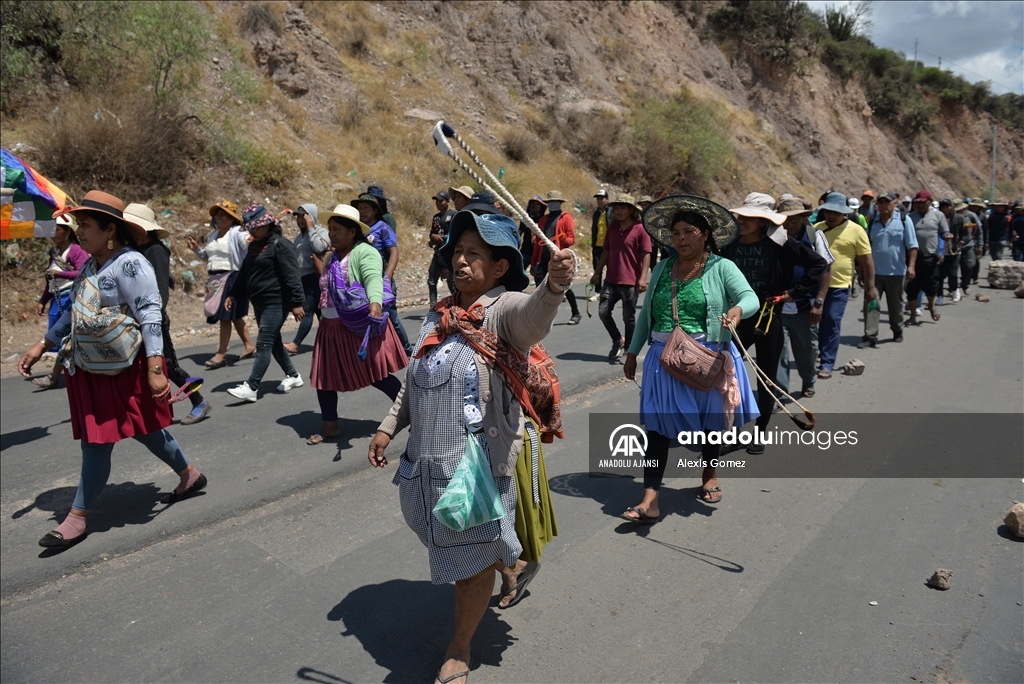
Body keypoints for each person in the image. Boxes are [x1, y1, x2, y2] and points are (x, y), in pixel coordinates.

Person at [367, 211, 574, 684]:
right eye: (457, 251)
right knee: (443, 535)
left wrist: (554, 286)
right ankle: (513, 561)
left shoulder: (502, 312)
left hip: (475, 468)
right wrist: (388, 426)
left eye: (474, 254)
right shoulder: (439, 315)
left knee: (468, 562)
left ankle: (459, 649)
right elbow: (414, 382)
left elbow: (533, 315)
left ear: (500, 268)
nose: (460, 260)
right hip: (424, 465)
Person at [17, 191, 207, 549]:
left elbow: (151, 314)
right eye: (78, 225)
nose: (79, 232)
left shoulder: (130, 264)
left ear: (109, 230)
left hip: (125, 367)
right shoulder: (90, 267)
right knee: (145, 428)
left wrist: (155, 367)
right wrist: (42, 344)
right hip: (92, 368)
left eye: (86, 226)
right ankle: (190, 475)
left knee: (97, 442)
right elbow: (74, 318)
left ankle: (76, 518)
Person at [622, 194, 759, 514]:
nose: (681, 238)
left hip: (708, 358)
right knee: (656, 429)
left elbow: (748, 296)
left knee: (711, 424)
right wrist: (632, 352)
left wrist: (737, 311)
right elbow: (646, 316)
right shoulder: (662, 268)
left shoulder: (722, 267)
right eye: (676, 233)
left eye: (688, 231)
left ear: (705, 234)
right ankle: (650, 499)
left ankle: (709, 474)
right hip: (662, 359)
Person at [720, 193, 826, 449]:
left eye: (749, 218)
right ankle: (730, 430)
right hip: (735, 319)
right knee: (726, 376)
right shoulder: (728, 245)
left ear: (762, 221)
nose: (742, 221)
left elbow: (818, 264)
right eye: (740, 216)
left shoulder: (782, 244)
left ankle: (759, 433)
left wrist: (793, 293)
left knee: (766, 379)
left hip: (768, 320)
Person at [306, 205, 408, 445]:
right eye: (330, 229)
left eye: (337, 230)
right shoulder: (333, 257)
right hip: (329, 328)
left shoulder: (365, 252)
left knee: (377, 375)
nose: (331, 234)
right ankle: (330, 424)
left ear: (353, 232)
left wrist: (375, 302)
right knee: (325, 377)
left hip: (356, 326)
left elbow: (374, 278)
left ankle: (411, 411)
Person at [128, 203, 211, 424]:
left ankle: (199, 400)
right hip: (133, 318)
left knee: (169, 367)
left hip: (152, 319)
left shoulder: (156, 250)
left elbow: (161, 290)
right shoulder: (132, 249)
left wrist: (152, 316)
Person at [225, 205, 305, 403]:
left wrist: (297, 302)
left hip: (276, 302)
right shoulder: (254, 246)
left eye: (255, 227)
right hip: (259, 302)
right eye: (250, 228)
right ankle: (294, 376)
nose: (252, 231)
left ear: (267, 225)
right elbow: (245, 273)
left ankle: (252, 387)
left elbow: (292, 275)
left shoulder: (280, 245)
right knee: (274, 341)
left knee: (263, 343)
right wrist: (233, 294)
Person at [773, 195, 833, 398]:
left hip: (806, 305)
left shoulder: (814, 235)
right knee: (778, 350)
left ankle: (809, 381)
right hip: (778, 305)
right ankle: (781, 390)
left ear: (803, 217)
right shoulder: (773, 237)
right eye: (786, 219)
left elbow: (825, 270)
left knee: (807, 349)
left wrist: (819, 302)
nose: (791, 223)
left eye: (796, 218)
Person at [814, 192, 876, 379]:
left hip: (840, 285)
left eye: (836, 212)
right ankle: (819, 353)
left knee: (832, 320)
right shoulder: (815, 229)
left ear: (844, 213)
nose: (831, 216)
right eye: (828, 212)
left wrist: (870, 286)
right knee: (818, 322)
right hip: (816, 286)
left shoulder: (856, 230)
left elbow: (866, 259)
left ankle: (827, 363)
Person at [187, 200, 256, 369]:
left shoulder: (237, 232)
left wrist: (250, 239)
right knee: (234, 316)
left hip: (232, 277)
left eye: (223, 215)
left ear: (232, 218)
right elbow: (207, 257)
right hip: (215, 279)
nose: (219, 218)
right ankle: (249, 346)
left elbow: (246, 241)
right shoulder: (213, 235)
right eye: (217, 215)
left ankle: (221, 354)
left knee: (225, 317)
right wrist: (196, 249)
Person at [590, 194, 651, 361]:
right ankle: (617, 340)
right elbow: (606, 251)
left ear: (631, 210)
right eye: (616, 207)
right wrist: (597, 272)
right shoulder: (612, 228)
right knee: (603, 312)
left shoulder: (640, 229)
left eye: (623, 207)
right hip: (611, 279)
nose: (618, 211)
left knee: (628, 317)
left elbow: (646, 253)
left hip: (630, 281)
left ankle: (629, 348)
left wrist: (643, 277)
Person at [353, 192, 413, 356]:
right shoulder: (356, 230)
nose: (363, 211)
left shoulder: (383, 228)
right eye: (360, 208)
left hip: (380, 279)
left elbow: (394, 253)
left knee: (391, 316)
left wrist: (388, 276)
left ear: (375, 210)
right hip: (362, 281)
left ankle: (408, 349)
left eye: (366, 208)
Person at [33, 213, 88, 389]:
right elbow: (50, 280)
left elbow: (81, 272)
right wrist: (43, 300)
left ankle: (54, 376)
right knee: (59, 338)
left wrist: (60, 273)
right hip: (56, 299)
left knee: (67, 338)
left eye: (57, 229)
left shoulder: (75, 250)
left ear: (67, 231)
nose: (54, 233)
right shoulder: (55, 253)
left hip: (70, 298)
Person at [863, 192, 917, 346]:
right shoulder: (873, 223)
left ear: (895, 202)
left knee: (896, 306)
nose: (883, 205)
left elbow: (912, 245)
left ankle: (897, 330)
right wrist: (862, 272)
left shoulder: (904, 220)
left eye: (887, 202)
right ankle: (870, 335)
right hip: (875, 274)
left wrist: (911, 266)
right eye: (880, 202)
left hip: (896, 272)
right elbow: (865, 249)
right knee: (871, 303)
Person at [284, 204, 330, 355]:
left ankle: (295, 344)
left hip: (314, 276)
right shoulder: (300, 236)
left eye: (304, 216)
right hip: (301, 278)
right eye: (298, 216)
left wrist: (311, 228)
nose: (300, 219)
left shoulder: (320, 231)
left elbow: (319, 247)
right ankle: (330, 341)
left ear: (311, 216)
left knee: (308, 310)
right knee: (320, 313)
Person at [532, 190, 582, 325]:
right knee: (540, 287)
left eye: (556, 202)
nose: (553, 204)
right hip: (544, 258)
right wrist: (533, 262)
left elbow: (571, 239)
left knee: (564, 286)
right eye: (551, 202)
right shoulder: (543, 220)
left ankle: (576, 312)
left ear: (560, 203)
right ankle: (541, 317)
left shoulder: (566, 217)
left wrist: (564, 239)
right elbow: (537, 243)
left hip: (558, 258)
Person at [906, 190, 947, 324]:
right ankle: (912, 315)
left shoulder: (938, 215)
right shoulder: (909, 217)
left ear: (929, 202)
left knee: (931, 285)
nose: (920, 205)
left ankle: (931, 306)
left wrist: (941, 252)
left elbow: (943, 233)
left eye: (923, 202)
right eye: (917, 203)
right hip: (913, 258)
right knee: (912, 287)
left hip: (931, 257)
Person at [427, 190, 457, 308]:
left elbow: (453, 235)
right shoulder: (436, 217)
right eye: (437, 201)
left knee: (452, 283)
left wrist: (443, 238)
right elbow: (432, 233)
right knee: (431, 280)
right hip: (437, 253)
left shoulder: (453, 215)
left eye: (441, 201)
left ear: (447, 201)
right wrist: (433, 237)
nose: (438, 203)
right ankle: (433, 306)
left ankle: (458, 305)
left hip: (449, 253)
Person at [938, 199, 965, 303]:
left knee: (953, 274)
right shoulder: (939, 218)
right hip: (941, 251)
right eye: (943, 207)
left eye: (947, 206)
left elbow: (965, 233)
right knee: (939, 275)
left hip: (954, 250)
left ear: (952, 207)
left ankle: (955, 291)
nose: (945, 209)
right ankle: (940, 295)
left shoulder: (959, 218)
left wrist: (962, 240)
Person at [957, 200, 981, 293]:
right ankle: (953, 288)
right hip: (955, 246)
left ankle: (965, 284)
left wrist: (980, 244)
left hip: (969, 245)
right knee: (953, 268)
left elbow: (978, 229)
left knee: (970, 265)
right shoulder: (952, 216)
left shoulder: (971, 216)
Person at [590, 189, 611, 296]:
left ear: (607, 199)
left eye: (601, 199)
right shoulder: (596, 213)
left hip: (610, 247)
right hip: (598, 246)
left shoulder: (611, 212)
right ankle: (598, 291)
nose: (599, 201)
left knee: (611, 269)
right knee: (597, 268)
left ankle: (610, 290)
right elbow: (594, 229)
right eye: (598, 199)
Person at [519, 195, 546, 275]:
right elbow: (519, 232)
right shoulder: (526, 219)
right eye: (533, 204)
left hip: (539, 253)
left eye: (537, 204)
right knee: (518, 273)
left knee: (539, 277)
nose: (535, 206)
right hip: (526, 251)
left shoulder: (544, 220)